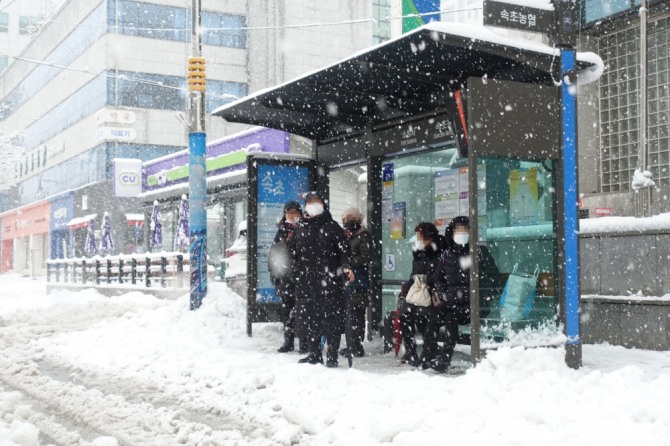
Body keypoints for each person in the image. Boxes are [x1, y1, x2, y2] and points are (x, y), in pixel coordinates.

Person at [287, 191, 355, 368]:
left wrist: (347, 267)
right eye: (310, 201)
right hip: (306, 281)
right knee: (310, 318)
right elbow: (291, 253)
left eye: (317, 201)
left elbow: (344, 251)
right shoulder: (300, 228)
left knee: (331, 319)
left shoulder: (332, 227)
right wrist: (292, 269)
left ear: (324, 204)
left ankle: (332, 356)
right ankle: (315, 354)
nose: (314, 204)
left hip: (329, 280)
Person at [430, 216, 501, 373]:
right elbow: (438, 280)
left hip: (474, 305)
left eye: (465, 230)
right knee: (431, 317)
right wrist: (443, 295)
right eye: (458, 230)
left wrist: (481, 297)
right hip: (451, 303)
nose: (461, 233)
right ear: (452, 232)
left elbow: (494, 279)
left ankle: (444, 359)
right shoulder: (446, 255)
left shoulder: (479, 252)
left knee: (450, 318)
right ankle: (431, 355)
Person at [398, 222, 445, 369]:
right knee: (405, 312)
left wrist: (427, 283)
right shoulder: (419, 255)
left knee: (423, 313)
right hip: (419, 295)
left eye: (420, 236)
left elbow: (440, 278)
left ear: (429, 237)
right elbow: (412, 277)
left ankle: (429, 350)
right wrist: (405, 292)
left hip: (433, 296)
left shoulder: (440, 253)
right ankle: (410, 351)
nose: (418, 240)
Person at [268, 200, 307, 353]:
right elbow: (273, 255)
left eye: (295, 212)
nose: (292, 216)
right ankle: (288, 341)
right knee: (287, 311)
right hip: (286, 279)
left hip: (302, 278)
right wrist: (275, 274)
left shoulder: (305, 229)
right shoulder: (281, 232)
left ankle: (304, 342)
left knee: (302, 311)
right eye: (289, 213)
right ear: (285, 215)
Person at [339, 207, 372, 358]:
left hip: (359, 280)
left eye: (351, 219)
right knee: (351, 314)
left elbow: (366, 256)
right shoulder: (349, 235)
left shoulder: (363, 235)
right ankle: (352, 345)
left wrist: (350, 263)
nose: (348, 223)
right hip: (350, 280)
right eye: (346, 220)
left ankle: (356, 346)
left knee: (356, 315)